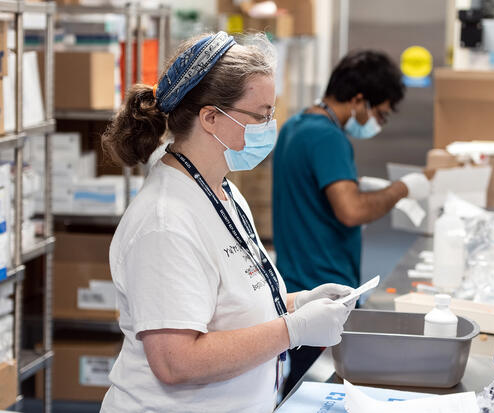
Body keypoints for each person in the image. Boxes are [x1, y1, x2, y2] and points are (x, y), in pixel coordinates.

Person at [99, 32, 354, 413]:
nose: (270, 125)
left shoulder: (223, 193)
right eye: (261, 115)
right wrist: (293, 330)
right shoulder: (165, 222)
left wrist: (296, 304)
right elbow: (175, 361)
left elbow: (226, 308)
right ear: (212, 118)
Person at [272, 50, 431, 394]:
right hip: (322, 293)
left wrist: (359, 187)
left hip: (296, 284)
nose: (379, 123)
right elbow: (352, 211)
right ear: (359, 100)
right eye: (381, 114)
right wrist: (402, 188)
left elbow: (315, 196)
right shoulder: (328, 136)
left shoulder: (295, 126)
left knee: (293, 386)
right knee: (310, 390)